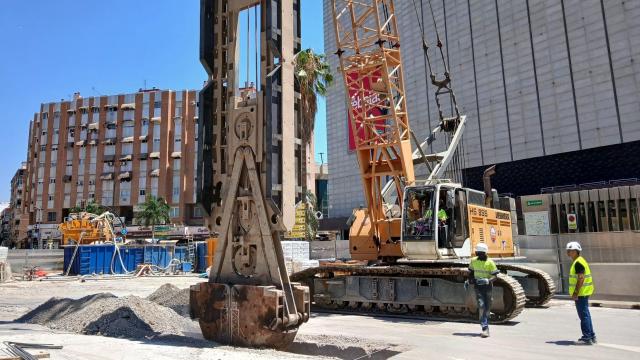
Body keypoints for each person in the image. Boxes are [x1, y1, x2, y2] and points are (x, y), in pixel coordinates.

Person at [466, 242, 499, 338]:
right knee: (481, 305)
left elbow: (495, 277)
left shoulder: (490, 262)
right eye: (477, 253)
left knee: (487, 307)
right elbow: (471, 272)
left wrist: (487, 280)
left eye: (479, 253)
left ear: (484, 253)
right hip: (478, 287)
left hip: (488, 287)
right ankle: (485, 328)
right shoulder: (473, 261)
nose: (477, 255)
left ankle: (485, 321)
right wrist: (469, 280)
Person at [566, 241, 596, 344]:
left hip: (581, 293)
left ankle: (587, 338)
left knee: (583, 316)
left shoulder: (578, 262)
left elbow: (581, 278)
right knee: (586, 314)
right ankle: (591, 336)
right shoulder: (579, 260)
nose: (568, 252)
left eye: (569, 250)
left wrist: (575, 292)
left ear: (575, 251)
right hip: (584, 292)